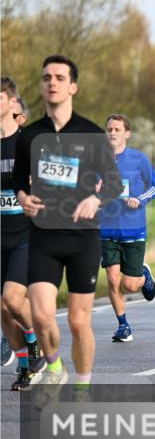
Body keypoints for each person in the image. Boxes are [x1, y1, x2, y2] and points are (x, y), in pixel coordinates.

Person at [13, 56, 123, 402]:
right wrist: (23, 197)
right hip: (43, 236)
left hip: (82, 238)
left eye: (60, 77)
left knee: (78, 322)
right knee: (43, 315)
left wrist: (96, 199)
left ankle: (82, 389)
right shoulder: (29, 135)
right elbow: (18, 179)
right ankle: (55, 367)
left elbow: (115, 184)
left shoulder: (91, 133)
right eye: (46, 77)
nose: (52, 82)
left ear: (72, 86)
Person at [98, 114, 155, 343]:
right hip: (106, 230)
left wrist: (140, 200)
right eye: (109, 129)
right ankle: (123, 325)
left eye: (117, 129)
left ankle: (143, 275)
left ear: (127, 133)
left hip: (133, 230)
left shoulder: (139, 159)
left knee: (130, 285)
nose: (112, 133)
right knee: (113, 281)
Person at [1, 77, 45, 390]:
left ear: (11, 103)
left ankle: (37, 344)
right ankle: (26, 365)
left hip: (27, 235)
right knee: (2, 308)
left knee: (13, 299)